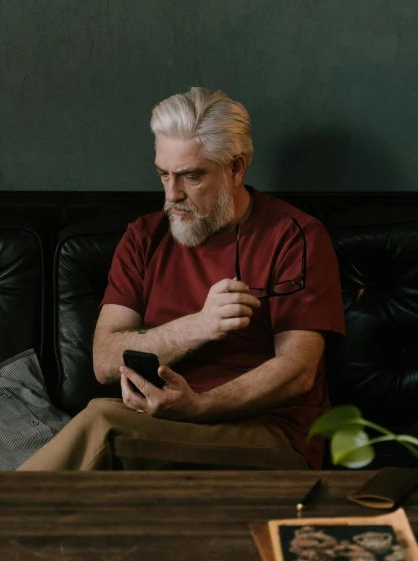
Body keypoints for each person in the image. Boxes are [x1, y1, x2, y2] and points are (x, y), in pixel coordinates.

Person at [19, 87, 345, 472]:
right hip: (161, 426)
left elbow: (298, 371)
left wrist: (199, 406)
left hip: (269, 434)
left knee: (104, 424)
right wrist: (199, 326)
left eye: (190, 177)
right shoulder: (144, 237)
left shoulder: (295, 236)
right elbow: (105, 361)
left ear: (236, 168)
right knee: (103, 416)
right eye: (163, 174)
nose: (171, 195)